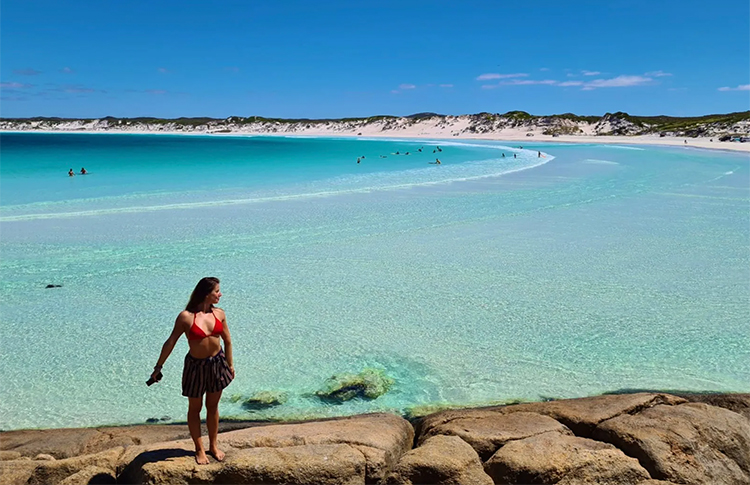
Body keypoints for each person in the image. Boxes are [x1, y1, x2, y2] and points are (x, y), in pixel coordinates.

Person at [150, 277, 235, 465]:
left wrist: (230, 364)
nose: (220, 294)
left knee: (212, 406)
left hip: (217, 363)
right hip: (195, 366)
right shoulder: (186, 317)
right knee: (195, 408)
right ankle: (199, 448)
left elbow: (227, 340)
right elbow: (170, 342)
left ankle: (213, 445)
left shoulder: (219, 314)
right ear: (206, 293)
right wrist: (158, 367)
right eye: (217, 291)